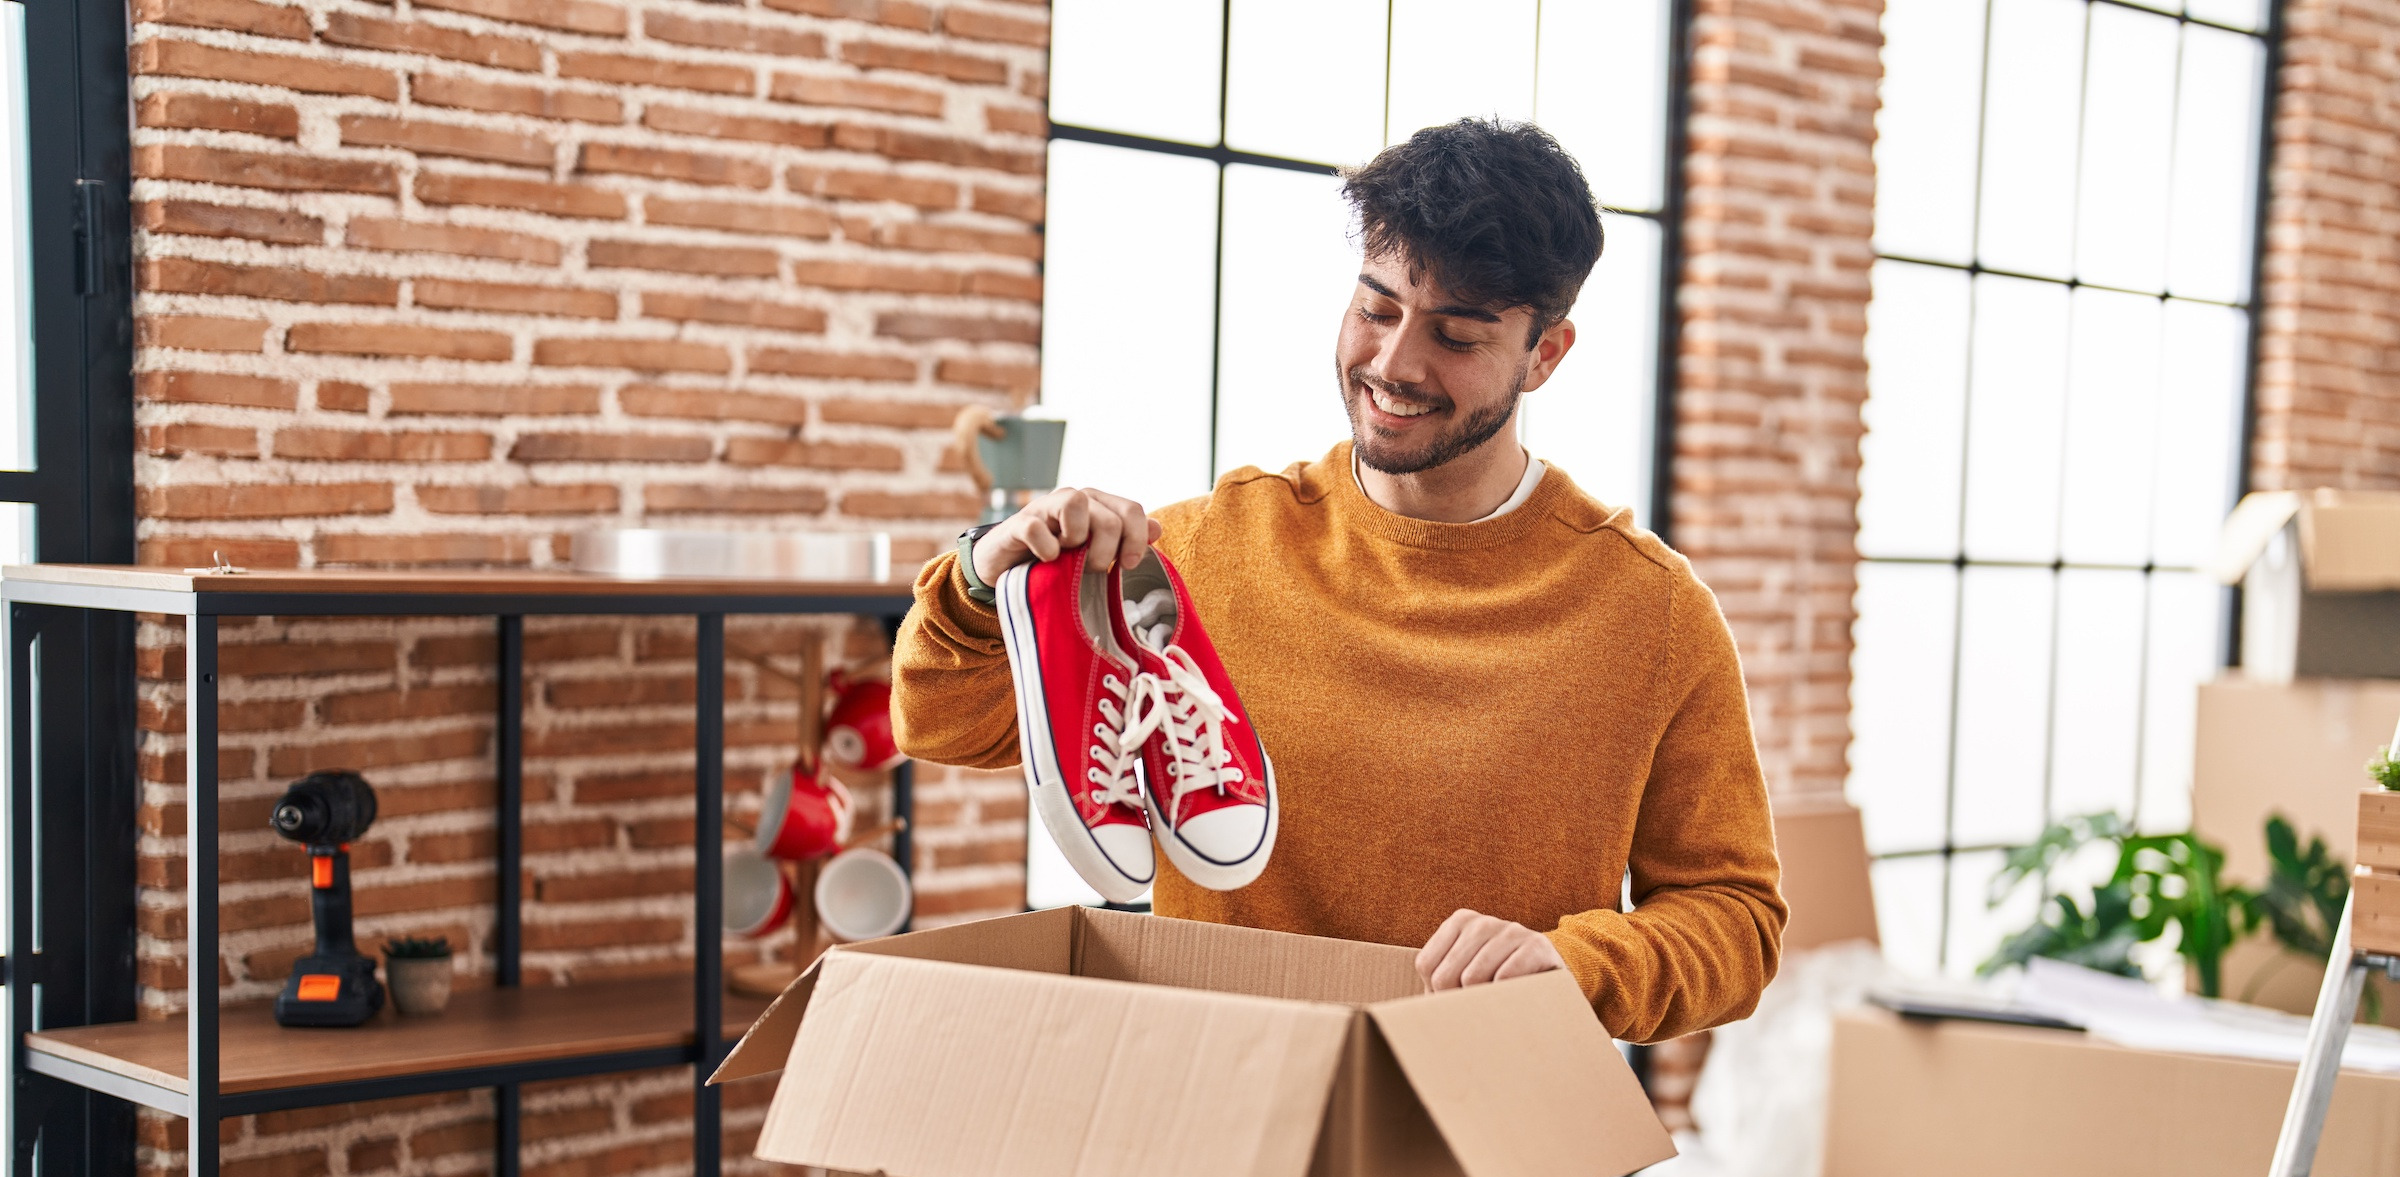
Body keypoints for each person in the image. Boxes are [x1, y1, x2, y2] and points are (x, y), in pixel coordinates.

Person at [892, 118, 1784, 1043]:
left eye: (1457, 335)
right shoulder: (1207, 548)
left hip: (1486, 1113)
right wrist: (977, 575)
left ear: (1545, 353)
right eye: (1377, 307)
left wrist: (1578, 965)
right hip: (1222, 1102)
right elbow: (945, 719)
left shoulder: (1654, 612)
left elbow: (1737, 916)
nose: (1394, 364)